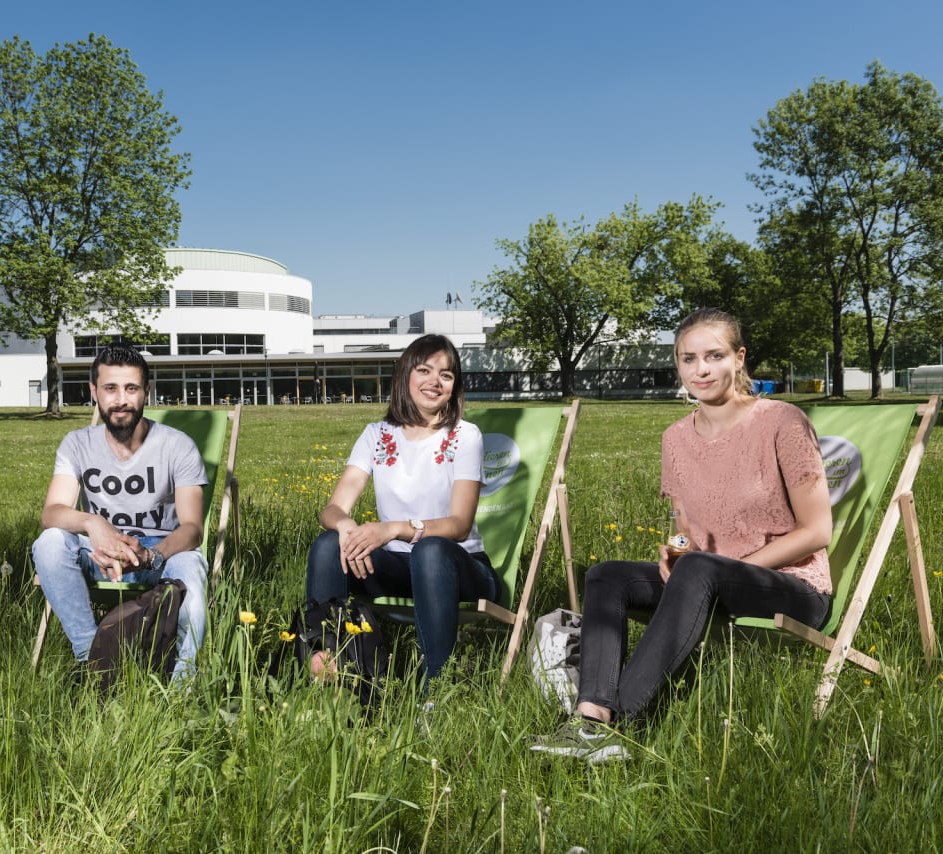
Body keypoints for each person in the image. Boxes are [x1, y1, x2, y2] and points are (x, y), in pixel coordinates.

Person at [530, 308, 833, 763]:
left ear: (739, 358)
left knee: (699, 568)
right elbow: (684, 530)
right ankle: (591, 715)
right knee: (606, 575)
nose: (701, 369)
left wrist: (717, 568)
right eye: (688, 359)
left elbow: (817, 531)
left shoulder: (782, 422)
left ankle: (622, 725)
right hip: (704, 578)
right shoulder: (675, 438)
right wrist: (675, 553)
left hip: (791, 586)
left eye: (714, 355)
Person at [305, 333, 497, 688]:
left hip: (458, 569)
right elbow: (332, 508)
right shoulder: (377, 434)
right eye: (424, 370)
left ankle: (435, 690)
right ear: (405, 375)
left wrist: (394, 528)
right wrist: (346, 527)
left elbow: (458, 524)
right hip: (395, 566)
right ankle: (327, 667)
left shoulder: (465, 436)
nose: (435, 382)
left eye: (446, 375)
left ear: (454, 387)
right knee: (328, 545)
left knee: (429, 549)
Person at [31, 345, 209, 684]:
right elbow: (51, 512)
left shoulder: (177, 445)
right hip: (99, 552)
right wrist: (93, 523)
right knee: (50, 543)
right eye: (110, 388)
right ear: (93, 392)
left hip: (161, 556)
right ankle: (95, 663)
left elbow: (192, 529)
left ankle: (183, 689)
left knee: (191, 567)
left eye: (131, 388)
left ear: (146, 392)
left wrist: (152, 555)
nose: (121, 399)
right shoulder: (77, 443)